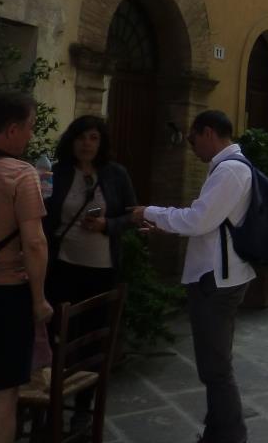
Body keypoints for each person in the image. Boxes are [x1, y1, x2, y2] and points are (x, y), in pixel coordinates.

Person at [130, 110, 252, 443]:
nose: (191, 146)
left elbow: (199, 220)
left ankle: (230, 436)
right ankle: (218, 431)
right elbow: (211, 224)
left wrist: (150, 212)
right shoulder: (229, 168)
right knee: (214, 365)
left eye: (192, 138)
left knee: (215, 368)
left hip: (217, 279)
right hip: (219, 274)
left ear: (208, 133)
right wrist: (167, 227)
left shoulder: (230, 171)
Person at [44, 115, 137, 427]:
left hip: (101, 270)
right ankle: (51, 400)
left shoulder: (115, 175)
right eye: (82, 137)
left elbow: (131, 216)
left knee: (93, 340)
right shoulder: (57, 174)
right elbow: (43, 218)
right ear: (72, 141)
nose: (87, 143)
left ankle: (84, 407)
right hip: (62, 268)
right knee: (58, 335)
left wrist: (106, 225)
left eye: (93, 138)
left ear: (102, 143)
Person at [0, 91, 52, 443]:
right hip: (2, 299)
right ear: (12, 130)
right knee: (1, 397)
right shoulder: (20, 174)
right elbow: (34, 243)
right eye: (30, 128)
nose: (31, 136)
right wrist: (38, 300)